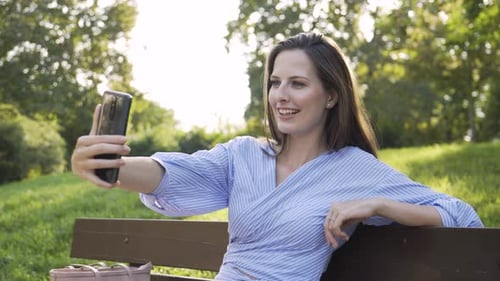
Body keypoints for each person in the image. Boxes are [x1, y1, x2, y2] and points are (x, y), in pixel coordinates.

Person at [71, 32, 483, 280]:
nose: (281, 96)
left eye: (298, 84)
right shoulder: (244, 155)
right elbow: (173, 174)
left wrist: (377, 203)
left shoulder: (356, 170)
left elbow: (458, 215)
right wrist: (112, 168)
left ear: (332, 96)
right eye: (275, 83)